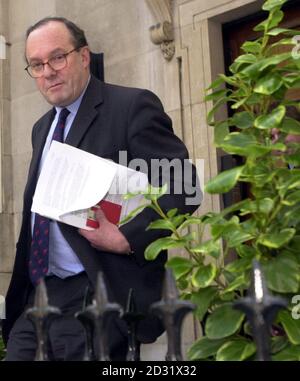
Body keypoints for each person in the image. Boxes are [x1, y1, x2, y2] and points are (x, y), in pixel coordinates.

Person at [2, 17, 200, 360]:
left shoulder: (130, 107)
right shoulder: (41, 128)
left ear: (83, 56)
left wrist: (127, 237)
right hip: (38, 294)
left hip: (96, 291)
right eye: (36, 64)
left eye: (57, 57)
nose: (47, 71)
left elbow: (183, 185)